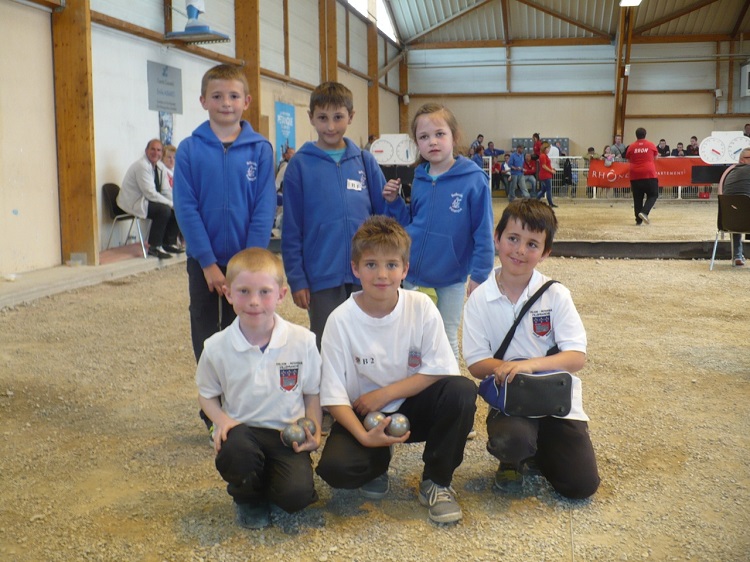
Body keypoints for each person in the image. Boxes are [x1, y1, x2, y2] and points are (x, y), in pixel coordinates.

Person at [315, 216, 477, 524]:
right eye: (371, 264)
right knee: (337, 472)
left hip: (412, 408)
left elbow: (440, 367)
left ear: (405, 269)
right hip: (364, 412)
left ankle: (436, 482)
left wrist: (385, 394)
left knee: (461, 390)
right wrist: (364, 437)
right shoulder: (340, 319)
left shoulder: (421, 306)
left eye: (391, 265)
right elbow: (333, 394)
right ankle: (377, 458)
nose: (382, 274)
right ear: (355, 268)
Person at [462, 198, 599, 500]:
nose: (520, 251)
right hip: (513, 399)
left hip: (555, 400)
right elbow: (474, 362)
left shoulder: (556, 295)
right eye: (513, 239)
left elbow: (576, 356)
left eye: (532, 244)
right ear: (497, 238)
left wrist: (527, 365)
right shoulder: (479, 299)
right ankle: (515, 458)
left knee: (580, 486)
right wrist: (504, 369)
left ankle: (539, 450)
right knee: (512, 440)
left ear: (546, 252)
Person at [173, 63, 277, 431]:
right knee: (206, 332)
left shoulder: (261, 150)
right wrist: (207, 263)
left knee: (250, 330)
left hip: (246, 266)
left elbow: (264, 207)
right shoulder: (188, 150)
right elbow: (185, 207)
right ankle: (213, 411)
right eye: (217, 96)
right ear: (203, 101)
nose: (226, 103)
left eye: (233, 96)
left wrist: (246, 267)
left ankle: (247, 406)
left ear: (246, 101)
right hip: (205, 263)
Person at [195, 248, 322, 529]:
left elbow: (312, 392)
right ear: (228, 293)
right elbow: (206, 395)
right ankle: (247, 497)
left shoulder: (302, 340)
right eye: (243, 291)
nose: (254, 302)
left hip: (286, 435)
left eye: (265, 292)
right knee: (236, 451)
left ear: (281, 294)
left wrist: (313, 428)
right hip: (243, 432)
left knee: (296, 497)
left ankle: (269, 480)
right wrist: (222, 421)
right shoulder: (216, 346)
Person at [281, 81, 395, 350]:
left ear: (351, 117)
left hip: (366, 274)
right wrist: (297, 279)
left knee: (369, 342)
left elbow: (385, 220)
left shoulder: (365, 162)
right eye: (322, 118)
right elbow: (292, 228)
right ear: (311, 118)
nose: (330, 126)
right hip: (322, 275)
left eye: (338, 117)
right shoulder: (300, 165)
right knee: (327, 343)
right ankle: (327, 393)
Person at [382, 102, 494, 359]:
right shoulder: (418, 177)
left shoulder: (474, 179)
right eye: (424, 137)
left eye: (439, 134)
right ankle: (414, 390)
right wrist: (394, 202)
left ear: (454, 137)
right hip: (412, 276)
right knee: (410, 336)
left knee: (446, 336)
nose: (432, 141)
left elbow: (483, 231)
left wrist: (480, 274)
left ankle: (447, 390)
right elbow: (409, 222)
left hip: (451, 278)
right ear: (417, 143)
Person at [118, 139, 183, 259]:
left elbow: (164, 191)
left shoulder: (158, 167)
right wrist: (170, 204)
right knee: (164, 210)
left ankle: (169, 243)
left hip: (145, 200)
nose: (155, 152)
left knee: (177, 209)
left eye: (159, 150)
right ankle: (154, 247)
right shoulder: (142, 166)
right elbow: (150, 194)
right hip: (133, 202)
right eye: (152, 149)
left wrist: (176, 203)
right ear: (146, 150)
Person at [718, 147, 750, 266]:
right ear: (742, 160)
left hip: (727, 221)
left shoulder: (730, 173)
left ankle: (737, 255)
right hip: (747, 220)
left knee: (737, 211)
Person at [625, 127, 659, 226]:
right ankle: (644, 212)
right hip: (649, 174)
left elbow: (628, 158)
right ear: (645, 134)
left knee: (637, 198)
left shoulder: (631, 146)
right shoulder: (651, 145)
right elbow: (656, 157)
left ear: (636, 135)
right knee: (653, 195)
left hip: (635, 175)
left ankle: (638, 220)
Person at [536, 142, 557, 207]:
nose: (549, 150)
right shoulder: (543, 156)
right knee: (548, 189)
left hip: (545, 175)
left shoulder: (543, 155)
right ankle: (550, 203)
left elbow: (545, 165)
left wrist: (551, 169)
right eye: (548, 149)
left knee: (544, 190)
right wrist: (551, 171)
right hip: (546, 175)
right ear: (545, 148)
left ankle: (536, 201)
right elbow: (544, 166)